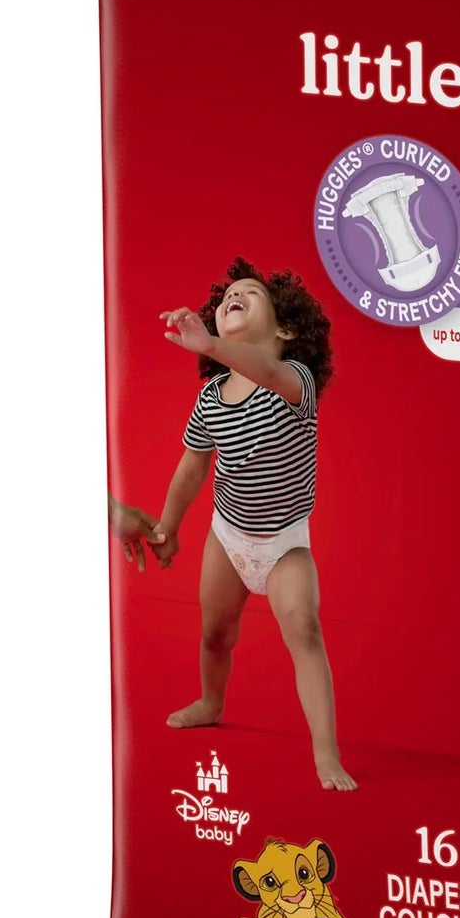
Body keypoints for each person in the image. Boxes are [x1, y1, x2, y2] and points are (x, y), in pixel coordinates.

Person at [149, 258, 355, 791]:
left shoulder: (295, 384)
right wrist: (168, 526)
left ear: (284, 330)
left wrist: (212, 346)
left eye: (251, 294)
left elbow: (264, 370)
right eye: (227, 297)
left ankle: (326, 753)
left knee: (304, 629)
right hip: (229, 536)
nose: (233, 297)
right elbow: (193, 466)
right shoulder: (210, 400)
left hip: (285, 545)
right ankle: (211, 702)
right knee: (215, 634)